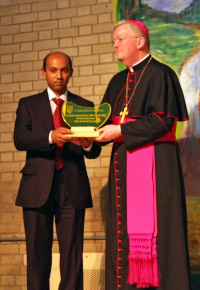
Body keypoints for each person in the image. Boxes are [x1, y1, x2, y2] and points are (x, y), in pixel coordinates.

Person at [96, 20, 191, 290]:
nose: (115, 43)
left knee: (162, 237)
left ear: (140, 42)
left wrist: (120, 130)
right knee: (122, 235)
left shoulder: (162, 74)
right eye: (113, 39)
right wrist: (88, 139)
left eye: (120, 38)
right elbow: (104, 124)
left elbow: (163, 123)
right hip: (123, 168)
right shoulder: (117, 81)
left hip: (157, 169)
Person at [14, 51, 101, 290]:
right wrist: (51, 136)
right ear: (44, 72)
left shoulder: (84, 106)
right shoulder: (28, 104)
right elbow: (20, 139)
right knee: (37, 257)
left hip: (71, 187)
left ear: (71, 72)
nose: (59, 75)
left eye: (64, 70)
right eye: (53, 70)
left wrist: (88, 144)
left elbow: (95, 151)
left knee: (72, 256)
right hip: (36, 187)